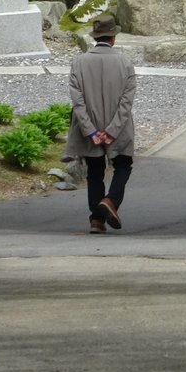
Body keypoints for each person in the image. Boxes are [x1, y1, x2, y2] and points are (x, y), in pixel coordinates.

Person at [62, 13, 137, 234]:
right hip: (119, 127)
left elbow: (78, 101)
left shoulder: (79, 62)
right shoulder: (125, 63)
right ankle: (111, 201)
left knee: (94, 171)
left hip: (89, 127)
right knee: (123, 165)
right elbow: (127, 102)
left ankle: (96, 220)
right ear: (113, 37)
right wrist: (112, 130)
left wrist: (91, 130)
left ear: (95, 37)